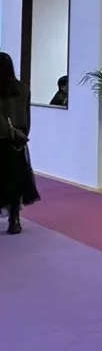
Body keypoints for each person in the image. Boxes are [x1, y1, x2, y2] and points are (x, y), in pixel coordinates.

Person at [0, 51, 39, 234]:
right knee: (16, 179)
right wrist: (21, 135)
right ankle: (14, 220)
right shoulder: (24, 89)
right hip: (17, 140)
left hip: (1, 138)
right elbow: (27, 116)